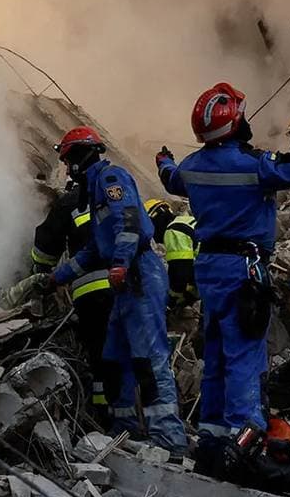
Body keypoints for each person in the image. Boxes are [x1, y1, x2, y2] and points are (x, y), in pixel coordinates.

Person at [157, 82, 290, 475]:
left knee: (215, 357)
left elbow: (170, 178)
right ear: (236, 122)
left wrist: (163, 159)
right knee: (245, 357)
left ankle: (213, 446)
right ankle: (245, 447)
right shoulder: (254, 165)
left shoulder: (192, 167)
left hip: (210, 270)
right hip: (244, 270)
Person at [49, 126, 189, 451]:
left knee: (148, 359)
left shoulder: (111, 179)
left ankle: (169, 441)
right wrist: (57, 278)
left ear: (84, 155)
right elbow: (92, 252)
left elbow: (130, 222)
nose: (69, 169)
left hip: (139, 273)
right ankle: (125, 433)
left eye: (70, 160)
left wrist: (121, 263)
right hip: (125, 283)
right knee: (114, 359)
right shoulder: (94, 194)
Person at [31, 176, 116, 416]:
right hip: (127, 286)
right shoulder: (116, 196)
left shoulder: (70, 202)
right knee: (127, 352)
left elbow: (45, 248)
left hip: (91, 292)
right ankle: (130, 417)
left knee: (98, 355)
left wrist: (41, 274)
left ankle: (102, 413)